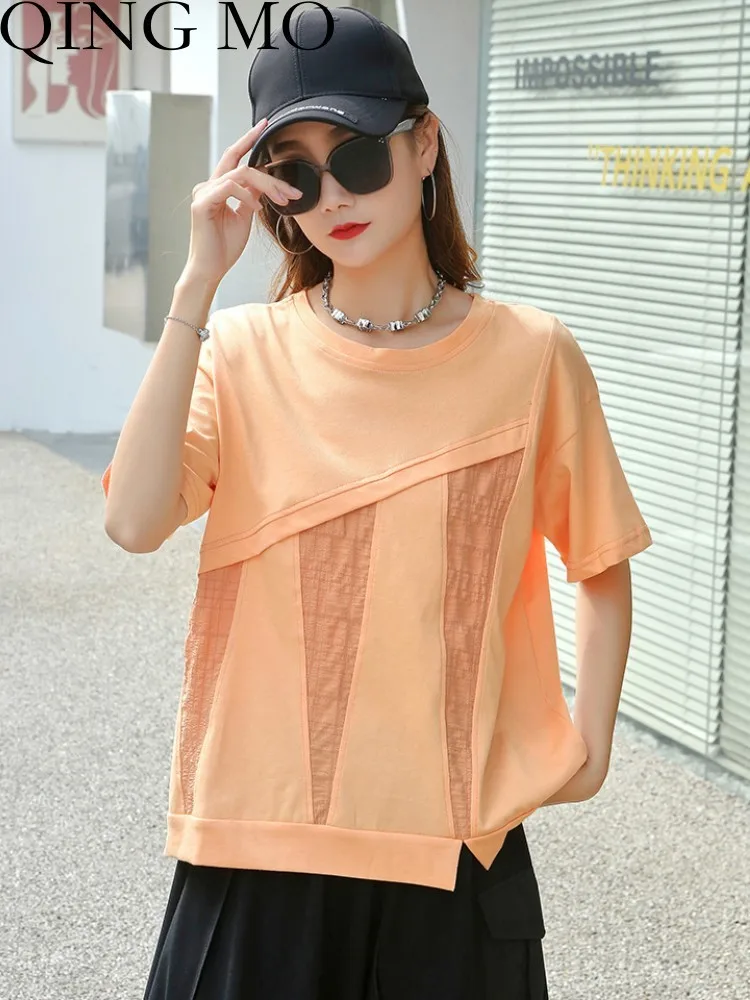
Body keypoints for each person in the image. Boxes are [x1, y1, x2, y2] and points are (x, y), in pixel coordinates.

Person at [101, 6, 653, 999]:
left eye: (358, 154)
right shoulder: (242, 352)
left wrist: (592, 743)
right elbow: (133, 522)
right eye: (298, 175)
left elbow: (601, 559)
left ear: (424, 143)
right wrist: (196, 284)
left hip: (453, 858)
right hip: (253, 848)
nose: (335, 196)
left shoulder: (532, 356)